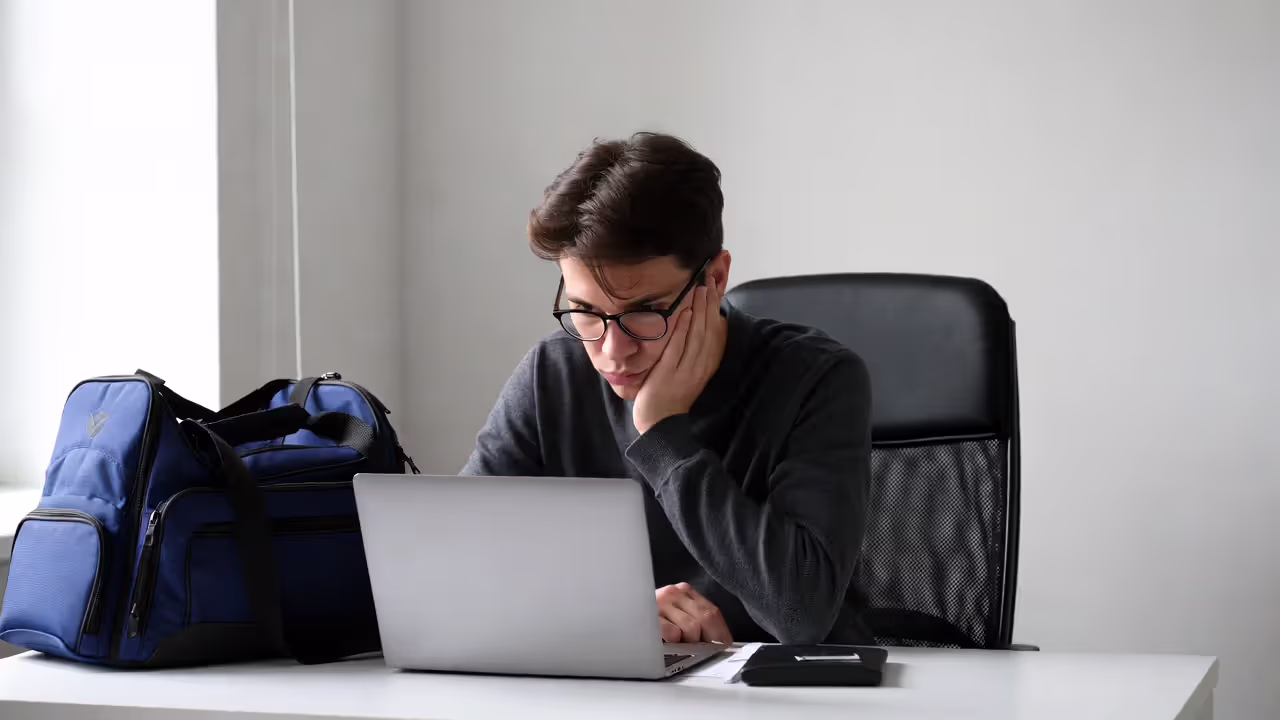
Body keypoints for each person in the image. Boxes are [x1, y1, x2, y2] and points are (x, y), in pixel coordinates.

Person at [461, 132, 873, 645]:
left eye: (647, 313)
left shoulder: (817, 379)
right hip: (605, 688)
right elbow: (464, 568)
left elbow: (801, 613)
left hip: (787, 695)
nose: (612, 351)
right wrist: (614, 619)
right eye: (586, 312)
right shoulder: (553, 375)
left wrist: (662, 434)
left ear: (715, 279)